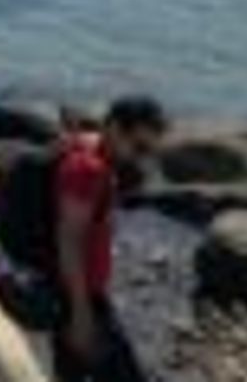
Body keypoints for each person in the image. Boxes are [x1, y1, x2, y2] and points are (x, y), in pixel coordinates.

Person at [51, 94, 169, 381]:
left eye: (148, 152)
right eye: (138, 147)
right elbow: (69, 240)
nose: (140, 158)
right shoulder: (89, 170)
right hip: (79, 298)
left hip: (74, 292)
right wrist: (80, 313)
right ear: (114, 128)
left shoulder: (92, 148)